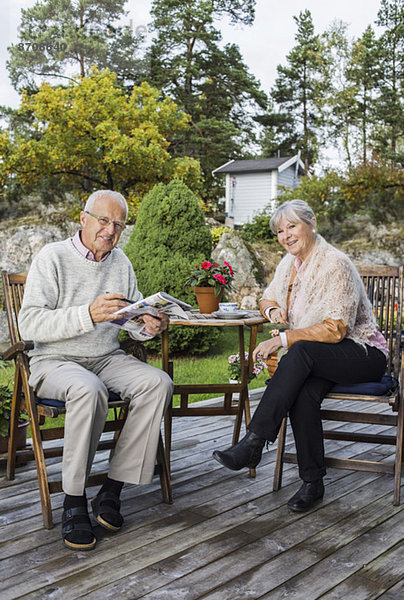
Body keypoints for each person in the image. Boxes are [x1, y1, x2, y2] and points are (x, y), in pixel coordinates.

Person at [18, 190, 174, 550]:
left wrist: (147, 326)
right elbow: (29, 325)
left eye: (118, 224)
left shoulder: (121, 262)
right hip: (55, 361)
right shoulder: (52, 257)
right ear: (83, 218)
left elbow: (128, 319)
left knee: (158, 383)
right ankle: (73, 501)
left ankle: (112, 488)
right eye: (103, 220)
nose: (110, 230)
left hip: (106, 357)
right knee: (89, 389)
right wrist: (87, 314)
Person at [213, 199, 388, 512]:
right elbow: (267, 297)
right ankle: (312, 481)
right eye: (280, 231)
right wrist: (272, 309)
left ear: (312, 224)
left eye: (291, 226)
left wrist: (282, 338)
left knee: (300, 351)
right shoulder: (289, 265)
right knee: (303, 390)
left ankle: (254, 442)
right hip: (321, 357)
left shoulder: (335, 264)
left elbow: (335, 330)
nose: (285, 236)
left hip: (363, 354)